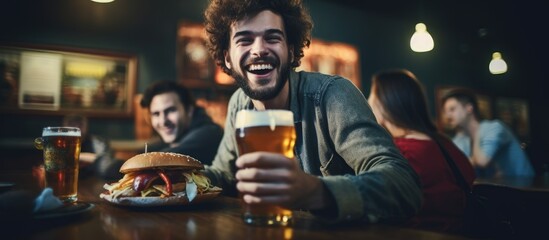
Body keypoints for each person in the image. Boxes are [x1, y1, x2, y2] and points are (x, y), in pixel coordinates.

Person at [202, 0, 422, 224]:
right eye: (245, 40)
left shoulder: (332, 94)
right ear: (227, 57)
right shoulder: (239, 103)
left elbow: (404, 184)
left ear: (290, 49)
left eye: (272, 38)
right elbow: (224, 175)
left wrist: (318, 192)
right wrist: (177, 176)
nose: (259, 50)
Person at [367, 69, 476, 232]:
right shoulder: (444, 142)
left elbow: (376, 203)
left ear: (383, 106)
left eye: (371, 96)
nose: (368, 103)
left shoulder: (400, 151)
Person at [441, 89, 535, 177]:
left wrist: (475, 133)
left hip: (525, 188)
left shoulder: (495, 127)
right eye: (445, 111)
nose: (447, 115)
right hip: (497, 189)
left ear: (469, 108)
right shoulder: (460, 138)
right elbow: (457, 167)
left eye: (452, 109)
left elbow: (482, 161)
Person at [139, 80, 224, 165]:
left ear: (189, 110)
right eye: (156, 114)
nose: (163, 121)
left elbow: (173, 157)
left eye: (170, 110)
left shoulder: (209, 133)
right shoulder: (162, 144)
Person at [62, 114, 119, 179]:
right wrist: (86, 157)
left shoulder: (97, 143)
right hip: (66, 181)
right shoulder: (58, 143)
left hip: (95, 183)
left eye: (80, 125)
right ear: (64, 126)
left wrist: (78, 156)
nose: (76, 128)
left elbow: (108, 167)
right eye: (71, 125)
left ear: (86, 126)